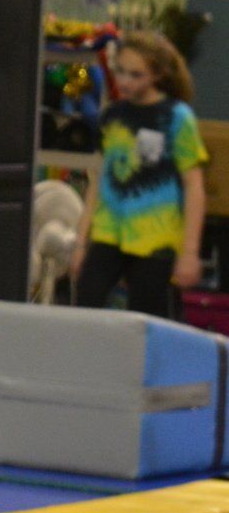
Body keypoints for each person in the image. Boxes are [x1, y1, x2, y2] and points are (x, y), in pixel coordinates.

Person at [72, 31, 207, 317]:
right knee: (85, 304)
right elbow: (100, 178)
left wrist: (190, 251)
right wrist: (81, 242)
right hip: (110, 232)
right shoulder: (112, 116)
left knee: (146, 318)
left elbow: (194, 186)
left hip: (155, 237)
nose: (124, 81)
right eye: (120, 71)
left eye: (136, 75)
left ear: (157, 75)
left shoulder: (176, 117)